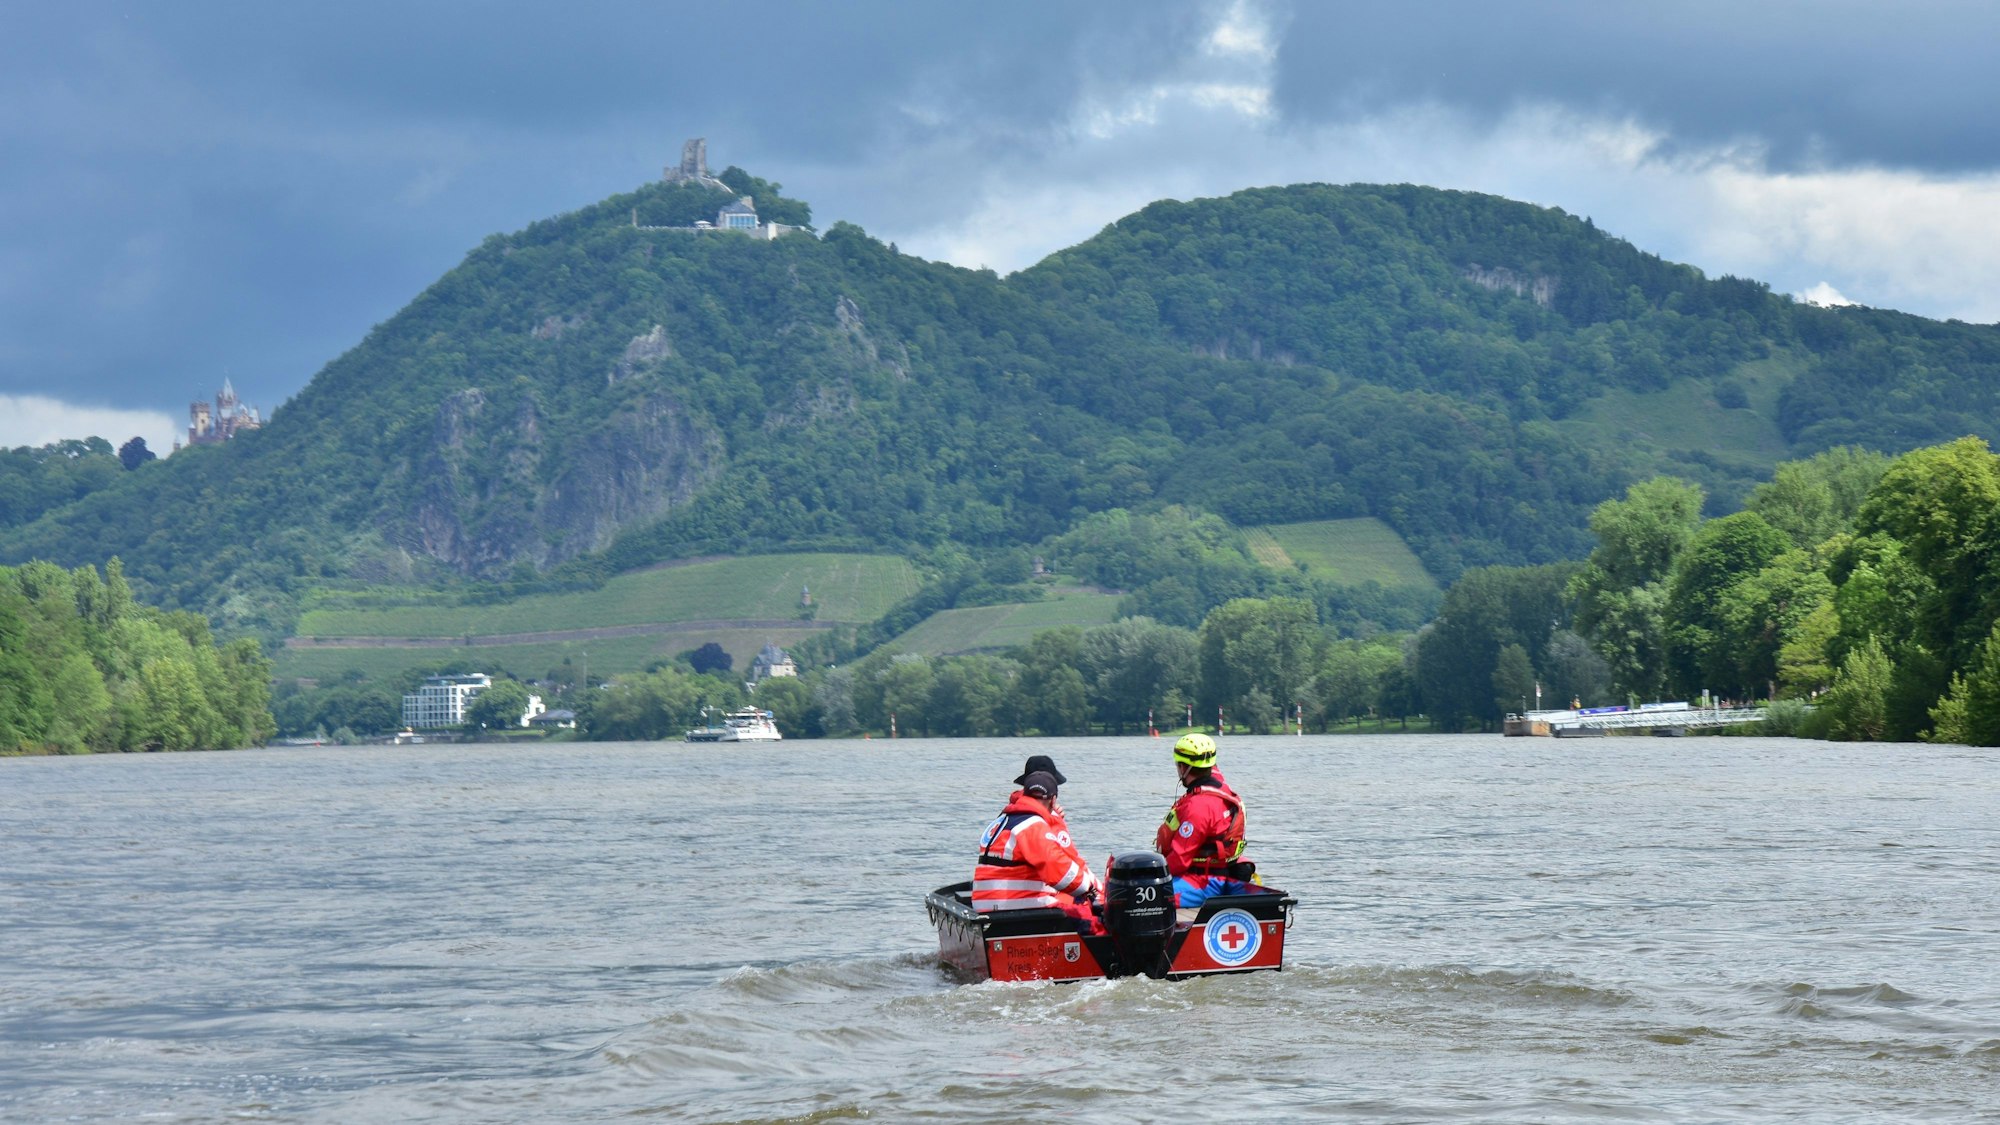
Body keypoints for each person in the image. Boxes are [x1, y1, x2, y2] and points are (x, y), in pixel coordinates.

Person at [973, 767, 1100, 923]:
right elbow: (1059, 869)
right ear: (1053, 800)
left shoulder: (1002, 820)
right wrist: (1090, 888)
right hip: (1014, 907)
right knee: (1091, 919)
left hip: (986, 904)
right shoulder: (1031, 825)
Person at [1155, 732, 1260, 909]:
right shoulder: (1221, 787)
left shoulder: (1198, 807)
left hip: (1205, 882)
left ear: (1182, 767)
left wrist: (1153, 877)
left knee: (1146, 896)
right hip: (1219, 875)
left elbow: (1180, 860)